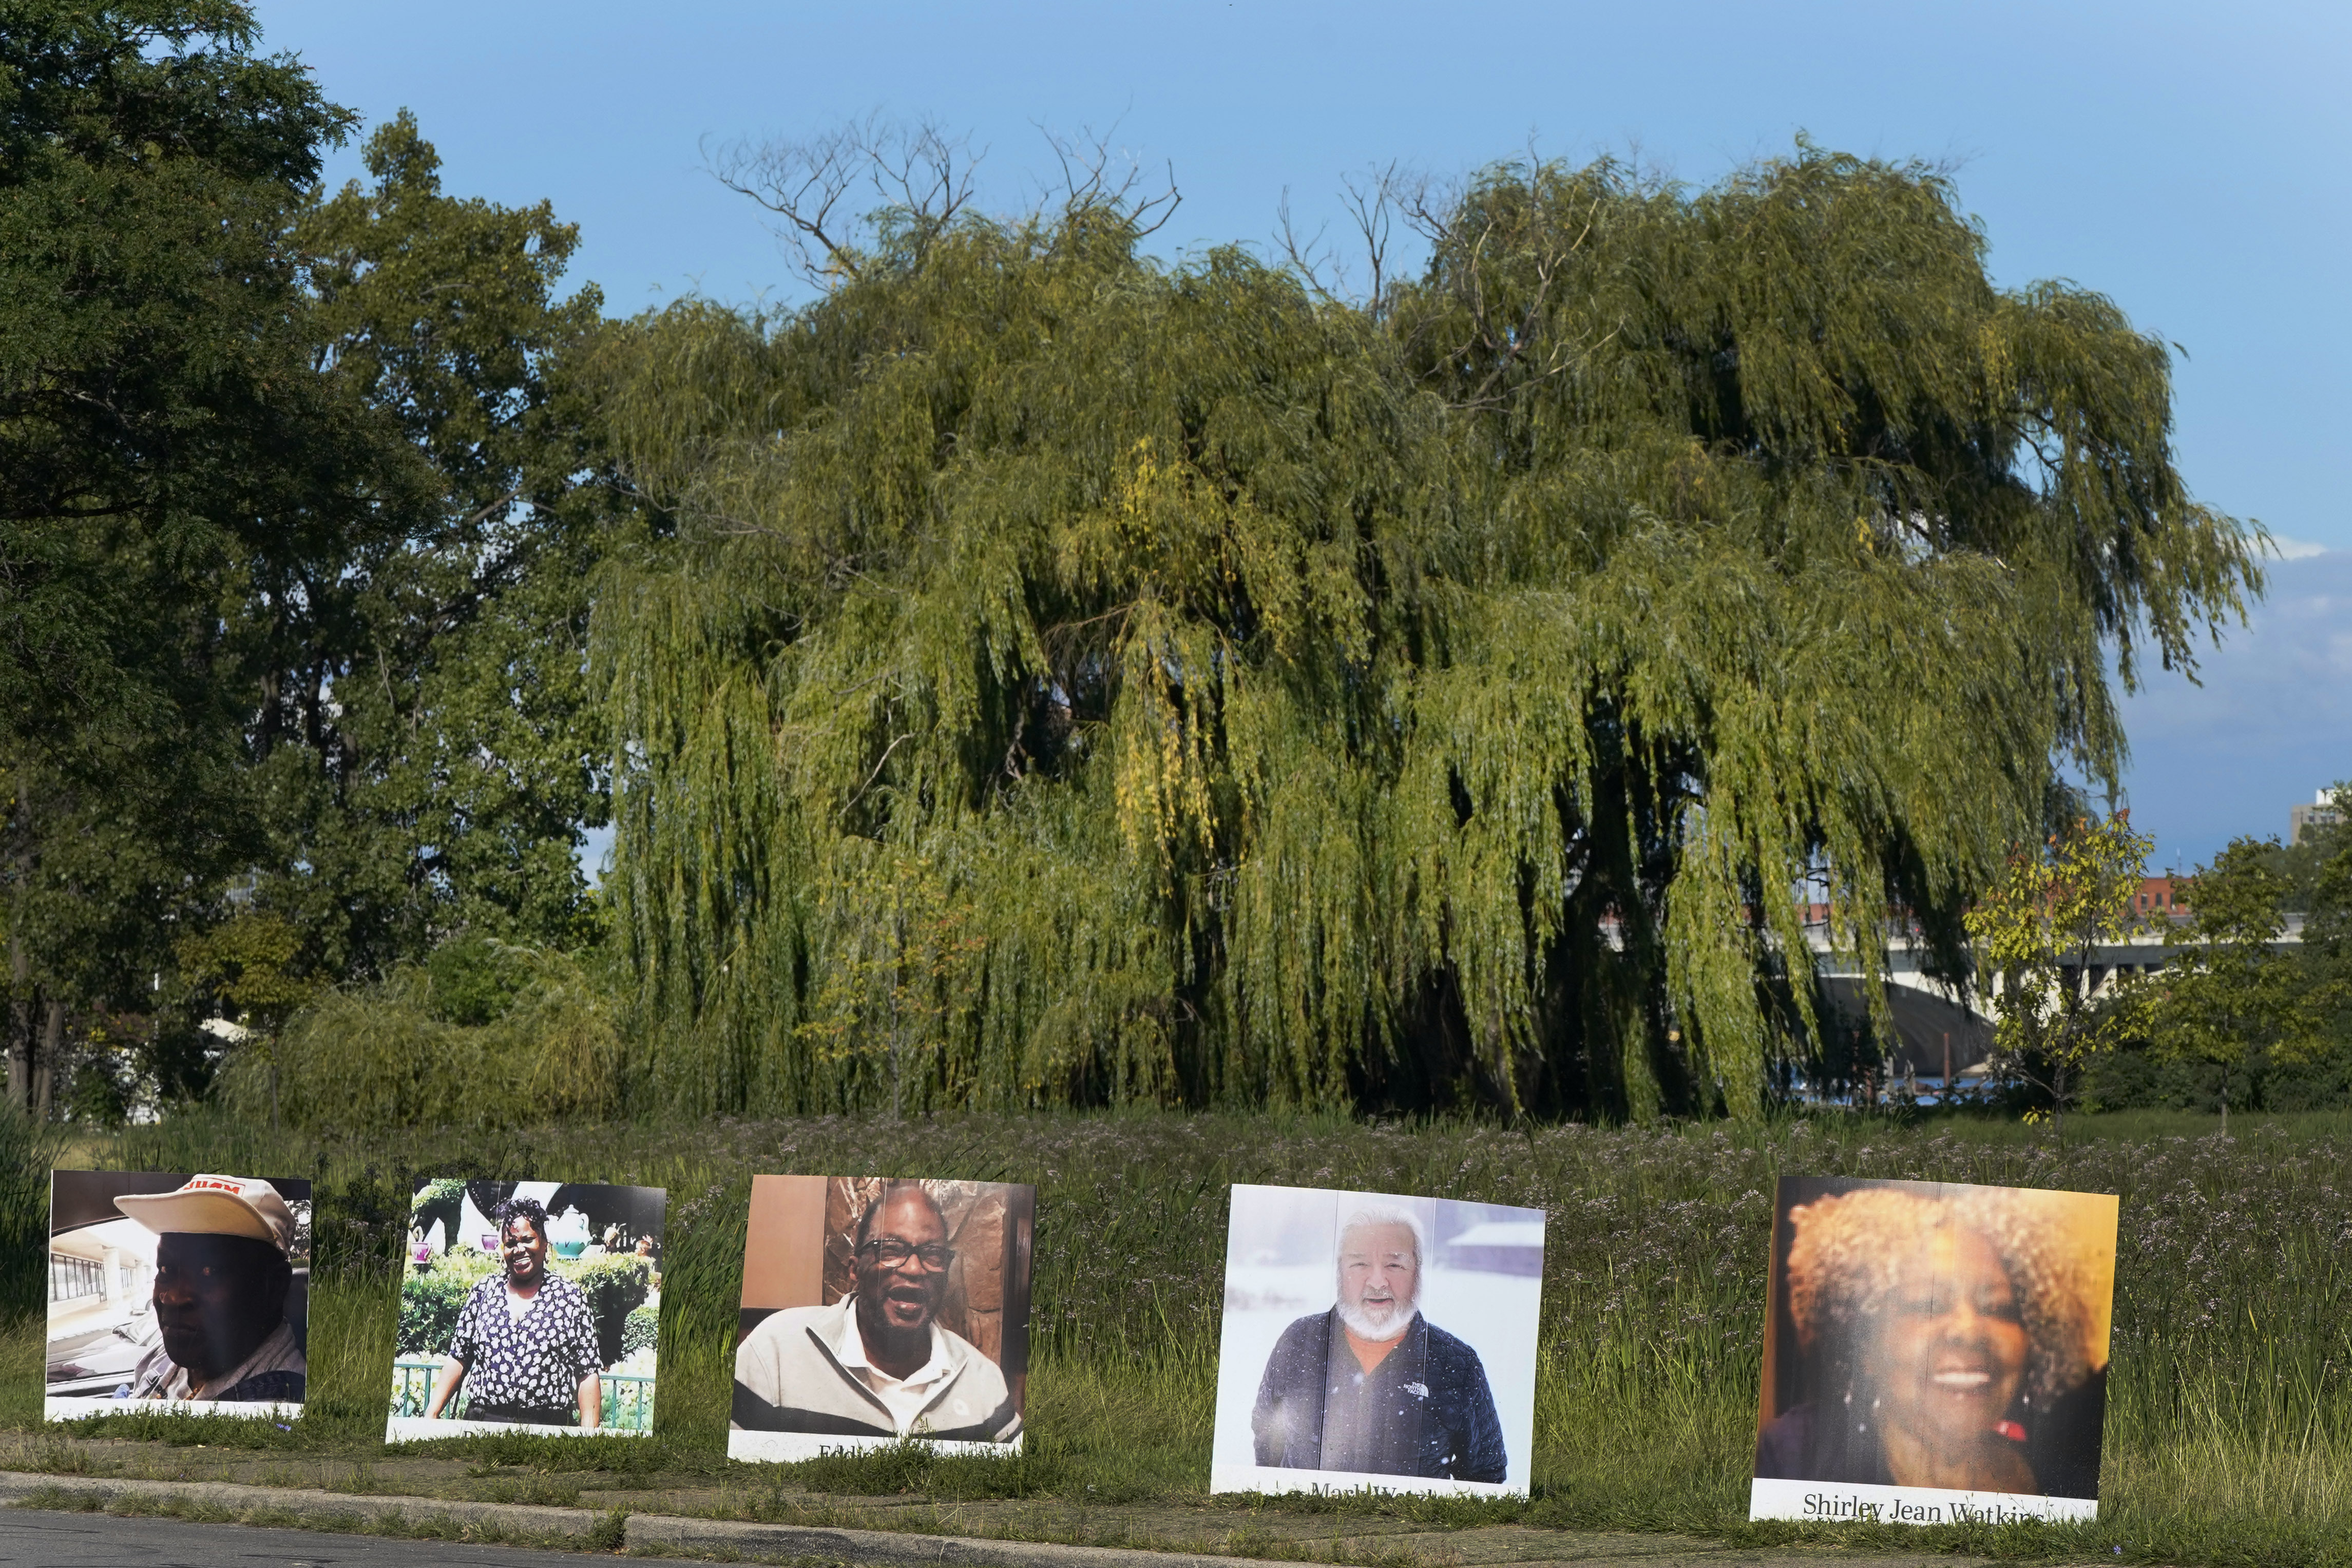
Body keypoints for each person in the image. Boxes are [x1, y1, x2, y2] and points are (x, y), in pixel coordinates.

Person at [1754, 1187, 2106, 1498]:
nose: (1969, 1330)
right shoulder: (1790, 1460)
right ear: (1861, 1344)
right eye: (1926, 1304)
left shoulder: (2069, 1480)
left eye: (1999, 1308)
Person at [732, 1181, 1019, 1441]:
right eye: (891, 1250)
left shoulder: (985, 1383)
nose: (915, 1269)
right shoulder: (775, 1352)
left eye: (933, 1254)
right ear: (855, 1270)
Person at [1250, 1203, 1506, 1483]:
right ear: (1340, 1272)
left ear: (1417, 1273)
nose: (1377, 1281)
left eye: (1394, 1265)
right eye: (1360, 1263)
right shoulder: (1299, 1341)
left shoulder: (1458, 1364)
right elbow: (1267, 1433)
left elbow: (1486, 1473)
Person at [114, 1174, 306, 1403]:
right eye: (166, 1268)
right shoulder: (165, 1358)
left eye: (210, 1272)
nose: (173, 1297)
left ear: (275, 1286)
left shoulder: (280, 1406)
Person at [424, 1195, 604, 1428]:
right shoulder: (483, 1291)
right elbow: (458, 1358)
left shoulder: (569, 1297)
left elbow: (587, 1372)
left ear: (544, 1241)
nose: (519, 1249)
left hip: (547, 1431)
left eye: (528, 1240)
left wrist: (588, 1437)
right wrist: (430, 1417)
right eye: (511, 1244)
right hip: (482, 1426)